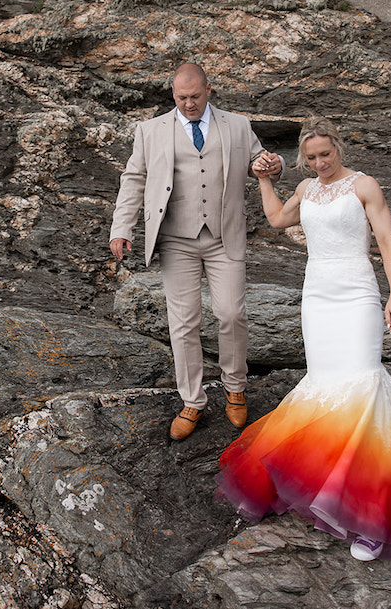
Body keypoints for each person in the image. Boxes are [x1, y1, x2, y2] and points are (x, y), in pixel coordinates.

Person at [216, 116, 391, 561]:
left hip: (357, 293)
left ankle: (372, 516)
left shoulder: (364, 186)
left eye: (326, 154)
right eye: (311, 157)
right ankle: (326, 488)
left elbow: (388, 241)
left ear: (339, 148)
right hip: (317, 297)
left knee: (364, 382)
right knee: (324, 387)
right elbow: (277, 218)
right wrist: (264, 181)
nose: (320, 163)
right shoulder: (306, 189)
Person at [109, 63, 284, 440]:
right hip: (176, 238)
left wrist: (273, 164)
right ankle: (192, 401)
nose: (188, 104)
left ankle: (235, 388)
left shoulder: (238, 125)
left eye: (194, 96)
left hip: (224, 235)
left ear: (209, 90)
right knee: (184, 322)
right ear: (173, 95)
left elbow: (263, 161)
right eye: (181, 98)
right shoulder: (150, 130)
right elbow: (134, 179)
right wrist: (121, 228)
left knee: (232, 313)